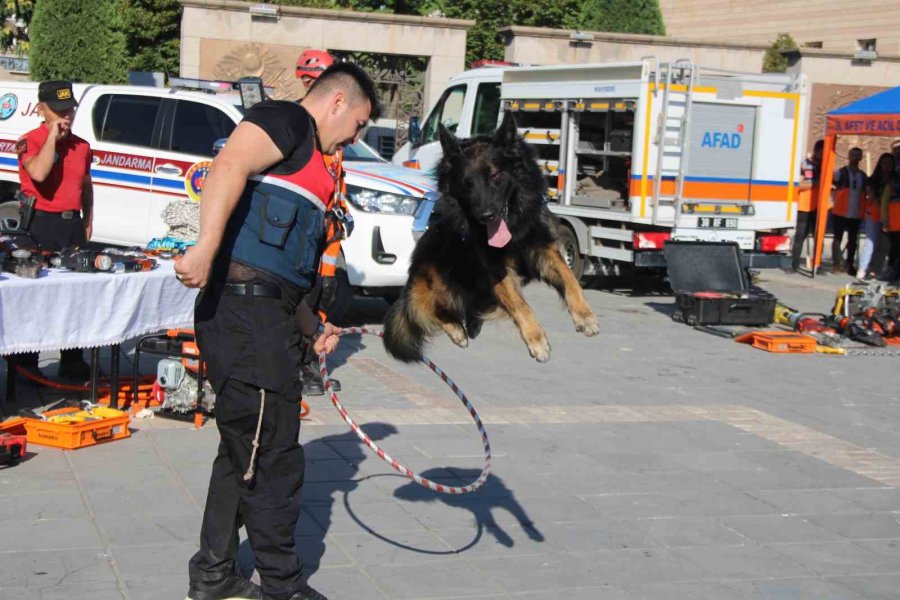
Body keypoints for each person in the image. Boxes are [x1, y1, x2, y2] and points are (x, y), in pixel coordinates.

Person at [175, 62, 381, 600]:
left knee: (244, 450)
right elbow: (228, 167)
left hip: (264, 315)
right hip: (245, 320)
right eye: (358, 123)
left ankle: (213, 575)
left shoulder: (314, 161)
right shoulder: (286, 120)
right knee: (275, 458)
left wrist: (312, 326)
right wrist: (205, 246)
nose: (355, 137)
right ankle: (282, 584)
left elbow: (282, 273)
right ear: (337, 102)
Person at [15, 80, 94, 381]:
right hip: (40, 224)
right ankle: (25, 361)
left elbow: (86, 184)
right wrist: (52, 136)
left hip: (71, 224)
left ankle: (72, 358)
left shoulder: (81, 146)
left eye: (70, 109)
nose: (66, 116)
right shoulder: (30, 140)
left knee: (74, 296)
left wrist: (87, 219)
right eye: (58, 111)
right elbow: (39, 172)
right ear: (41, 109)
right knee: (36, 298)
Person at [295, 49, 354, 396]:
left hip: (330, 230)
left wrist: (343, 211)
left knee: (324, 293)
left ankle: (311, 364)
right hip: (309, 227)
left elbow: (337, 178)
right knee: (301, 296)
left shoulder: (334, 124)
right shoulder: (301, 121)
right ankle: (300, 366)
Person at [790, 139, 824, 273]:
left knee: (818, 237)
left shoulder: (825, 166)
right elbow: (798, 185)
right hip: (804, 205)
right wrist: (816, 183)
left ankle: (817, 265)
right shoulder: (804, 165)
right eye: (821, 151)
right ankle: (794, 264)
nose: (822, 155)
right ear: (816, 151)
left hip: (819, 207)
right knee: (800, 236)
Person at [831, 147, 866, 274]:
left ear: (861, 158)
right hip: (840, 211)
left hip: (856, 213)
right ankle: (836, 264)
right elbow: (831, 186)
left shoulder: (863, 176)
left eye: (858, 155)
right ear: (848, 156)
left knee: (853, 241)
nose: (855, 158)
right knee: (837, 239)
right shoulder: (840, 172)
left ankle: (849, 264)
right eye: (853, 155)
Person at [867, 152, 900, 282]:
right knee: (883, 246)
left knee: (896, 249)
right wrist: (884, 219)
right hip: (891, 220)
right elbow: (885, 201)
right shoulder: (892, 183)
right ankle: (875, 270)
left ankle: (893, 271)